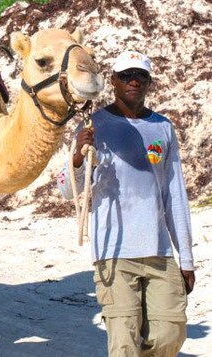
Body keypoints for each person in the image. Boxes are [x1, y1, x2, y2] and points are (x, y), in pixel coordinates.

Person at [57, 50, 195, 356]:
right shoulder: (94, 126)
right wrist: (78, 157)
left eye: (140, 76)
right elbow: (66, 190)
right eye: (125, 76)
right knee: (123, 343)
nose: (133, 81)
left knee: (170, 334)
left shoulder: (163, 128)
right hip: (114, 255)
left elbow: (175, 195)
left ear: (149, 83)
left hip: (159, 251)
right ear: (113, 82)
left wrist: (186, 258)